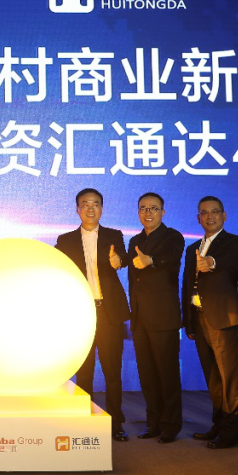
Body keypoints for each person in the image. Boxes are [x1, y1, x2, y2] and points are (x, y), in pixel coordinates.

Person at [56, 188, 131, 441]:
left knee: (112, 371)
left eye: (96, 204)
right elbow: (56, 265)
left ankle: (115, 423)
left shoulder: (113, 235)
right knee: (84, 371)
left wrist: (119, 260)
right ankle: (83, 420)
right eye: (85, 204)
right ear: (77, 209)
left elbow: (123, 258)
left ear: (102, 209)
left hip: (108, 313)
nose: (90, 209)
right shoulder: (65, 240)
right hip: (81, 315)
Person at [182, 196, 238, 449]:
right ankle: (218, 425)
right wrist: (187, 321)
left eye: (215, 212)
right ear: (198, 218)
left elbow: (228, 263)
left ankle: (230, 433)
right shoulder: (192, 248)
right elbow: (186, 285)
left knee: (229, 378)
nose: (210, 216)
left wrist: (210, 262)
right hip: (198, 318)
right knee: (213, 377)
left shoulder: (233, 242)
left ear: (224, 215)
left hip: (222, 318)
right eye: (204, 213)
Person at [126, 192, 184, 443]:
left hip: (163, 317)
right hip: (140, 318)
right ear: (138, 212)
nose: (148, 213)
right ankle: (154, 423)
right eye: (143, 208)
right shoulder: (135, 240)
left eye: (153, 208)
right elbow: (130, 269)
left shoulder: (173, 237)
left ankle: (171, 425)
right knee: (147, 375)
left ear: (163, 212)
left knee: (167, 374)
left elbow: (170, 258)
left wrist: (151, 260)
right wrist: (119, 261)